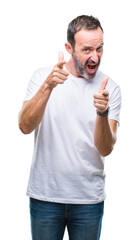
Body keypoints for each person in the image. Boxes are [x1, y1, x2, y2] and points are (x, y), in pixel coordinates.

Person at [19, 15, 121, 240]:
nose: (95, 57)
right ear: (69, 48)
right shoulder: (42, 77)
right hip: (45, 197)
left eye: (100, 48)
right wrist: (48, 86)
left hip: (88, 202)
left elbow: (105, 148)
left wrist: (102, 112)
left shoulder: (110, 89)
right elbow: (25, 126)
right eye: (87, 50)